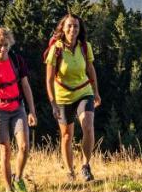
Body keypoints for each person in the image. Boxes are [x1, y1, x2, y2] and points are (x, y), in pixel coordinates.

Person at [0, 27, 38, 192]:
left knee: (25, 146)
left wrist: (31, 111)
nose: (3, 49)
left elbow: (26, 86)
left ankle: (18, 178)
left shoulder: (17, 61)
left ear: (10, 45)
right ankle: (8, 189)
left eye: (6, 45)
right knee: (5, 151)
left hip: (17, 108)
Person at [44, 13, 102, 182]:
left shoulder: (85, 47)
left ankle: (85, 166)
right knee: (67, 136)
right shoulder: (56, 49)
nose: (73, 29)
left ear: (79, 29)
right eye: (69, 26)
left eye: (76, 26)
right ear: (63, 28)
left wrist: (96, 92)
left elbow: (91, 70)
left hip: (84, 91)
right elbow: (48, 79)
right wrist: (53, 103)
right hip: (63, 96)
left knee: (88, 127)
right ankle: (70, 171)